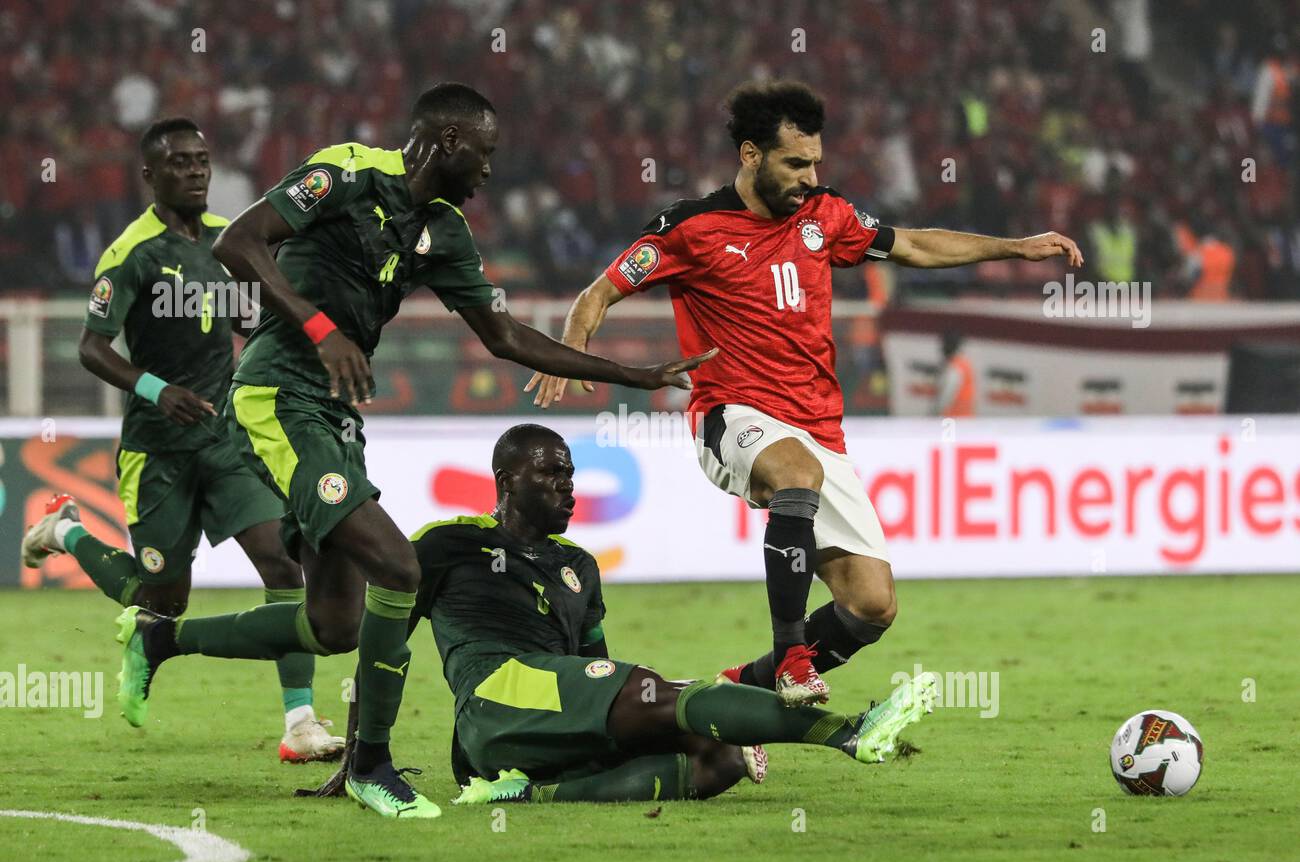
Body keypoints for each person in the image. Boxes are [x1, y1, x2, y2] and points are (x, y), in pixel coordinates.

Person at [109, 83, 714, 820]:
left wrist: (631, 374)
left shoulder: (446, 231)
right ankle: (373, 767)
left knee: (338, 624)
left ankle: (160, 640)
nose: (492, 169)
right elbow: (237, 242)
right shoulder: (346, 173)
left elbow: (505, 336)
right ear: (451, 143)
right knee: (398, 566)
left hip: (332, 416)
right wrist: (320, 328)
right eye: (486, 153)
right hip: (275, 394)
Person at [527, 80, 1082, 703]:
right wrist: (570, 350)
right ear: (749, 155)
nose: (811, 177)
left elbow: (915, 244)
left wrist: (1012, 247)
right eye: (796, 163)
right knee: (795, 475)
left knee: (871, 606)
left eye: (816, 161)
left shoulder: (827, 216)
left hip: (820, 428)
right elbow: (597, 293)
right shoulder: (692, 228)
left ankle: (741, 688)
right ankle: (792, 657)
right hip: (731, 414)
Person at [22, 117, 342, 763]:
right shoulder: (131, 252)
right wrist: (154, 390)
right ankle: (67, 532)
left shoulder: (231, 243)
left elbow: (254, 322)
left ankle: (301, 723)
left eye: (202, 160)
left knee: (283, 564)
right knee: (159, 601)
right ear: (151, 175)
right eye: (180, 163)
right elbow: (90, 347)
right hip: (158, 448)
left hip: (225, 437)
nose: (196, 171)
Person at [407, 424, 936, 806]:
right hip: (494, 704)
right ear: (506, 479)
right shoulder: (449, 543)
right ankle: (848, 732)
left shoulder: (578, 565)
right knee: (651, 690)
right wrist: (368, 761)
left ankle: (530, 792)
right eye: (550, 472)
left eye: (570, 473)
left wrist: (619, 725)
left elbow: (595, 663)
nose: (567, 484)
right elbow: (385, 641)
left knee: (721, 758)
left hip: (552, 714)